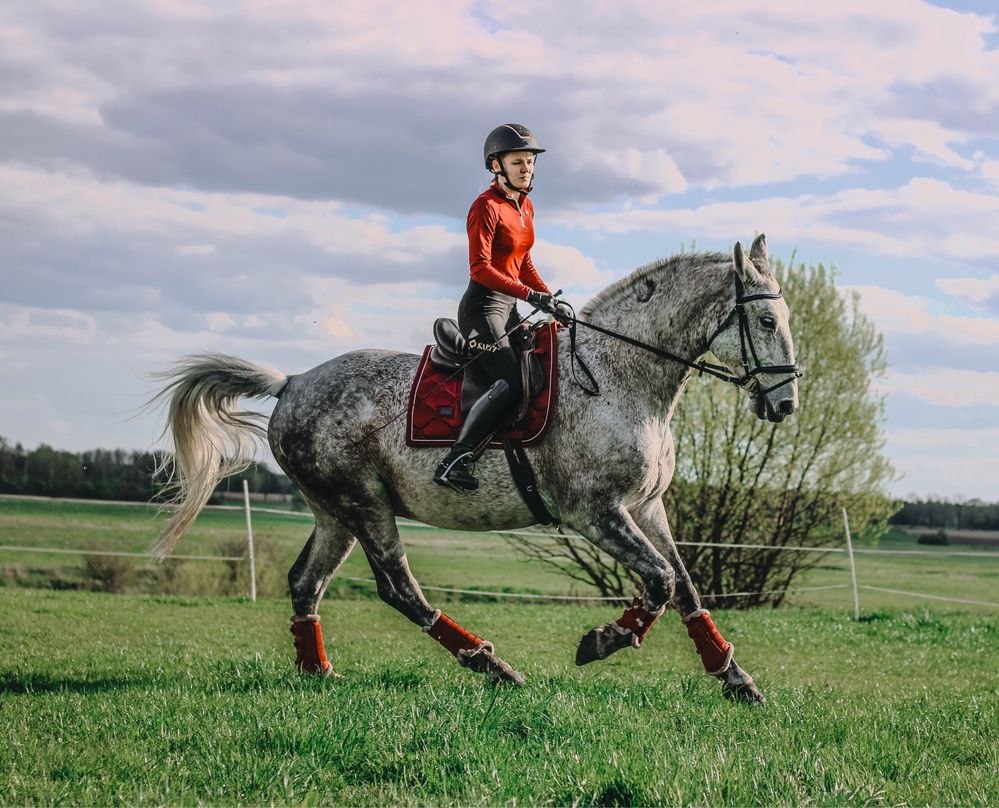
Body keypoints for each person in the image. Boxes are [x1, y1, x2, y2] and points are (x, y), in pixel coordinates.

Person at [433, 123, 564, 492]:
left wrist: (548, 298)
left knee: (538, 368)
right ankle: (456, 459)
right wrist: (530, 295)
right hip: (482, 310)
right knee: (509, 380)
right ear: (496, 166)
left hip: (509, 306)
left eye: (530, 162)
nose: (527, 169)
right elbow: (481, 269)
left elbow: (522, 261)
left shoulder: (526, 206)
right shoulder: (484, 207)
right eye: (518, 162)